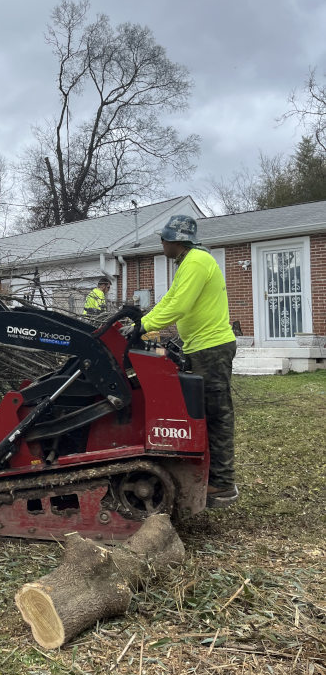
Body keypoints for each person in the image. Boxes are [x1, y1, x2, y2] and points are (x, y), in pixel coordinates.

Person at [122, 214, 238, 509]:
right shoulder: (188, 263)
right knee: (201, 412)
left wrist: (142, 327)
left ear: (174, 240)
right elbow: (170, 299)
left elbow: (180, 306)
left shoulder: (197, 261)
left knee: (216, 412)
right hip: (200, 346)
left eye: (163, 239)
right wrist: (141, 321)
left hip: (212, 347)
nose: (161, 244)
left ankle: (222, 482)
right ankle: (206, 473)